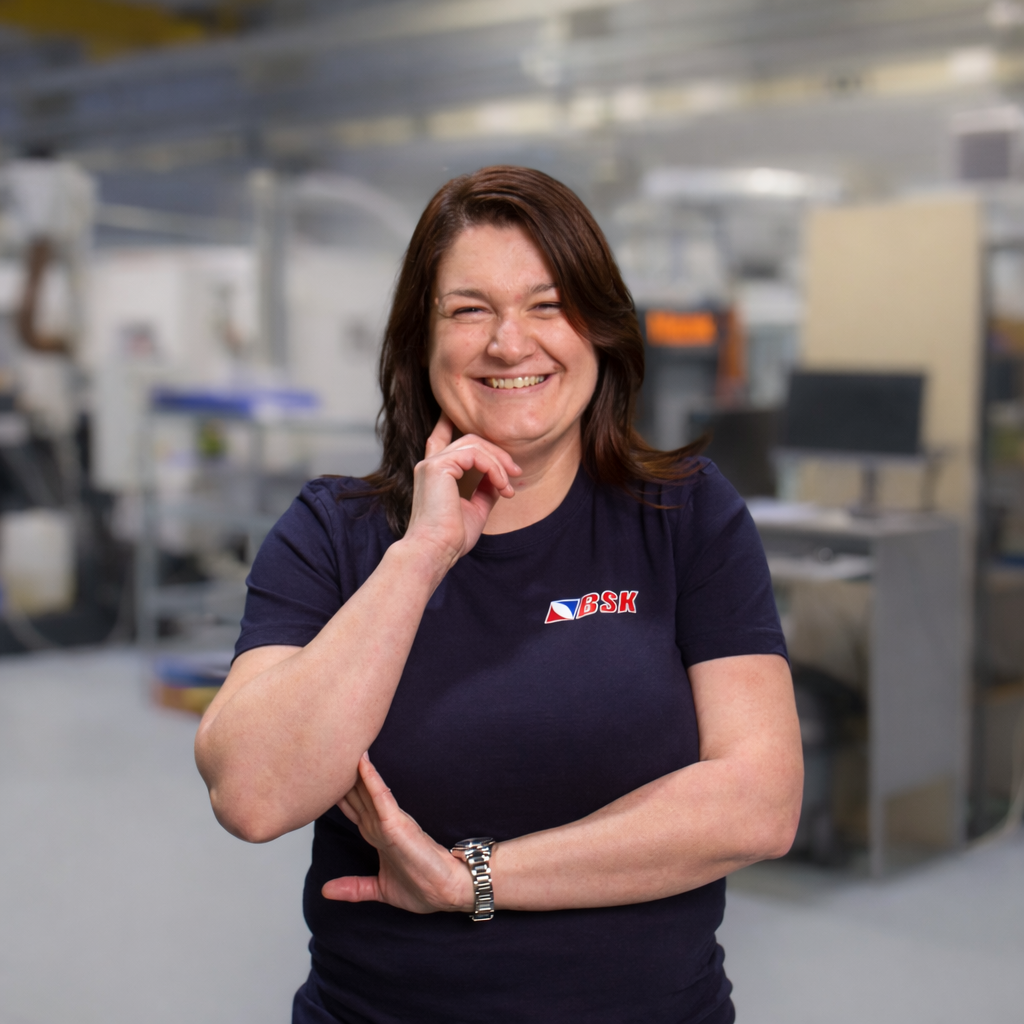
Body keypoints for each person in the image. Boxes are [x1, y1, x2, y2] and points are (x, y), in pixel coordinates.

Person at [195, 165, 803, 1024]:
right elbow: (253, 795)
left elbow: (760, 803)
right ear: (422, 340)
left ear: (600, 331)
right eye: (469, 309)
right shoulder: (335, 534)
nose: (510, 343)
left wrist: (468, 880)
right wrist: (422, 554)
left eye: (548, 305)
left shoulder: (686, 515)